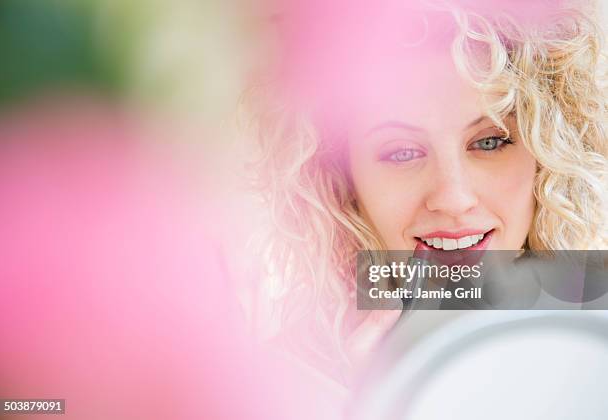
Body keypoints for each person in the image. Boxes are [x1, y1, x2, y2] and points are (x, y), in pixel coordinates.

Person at [242, 0, 607, 384]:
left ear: (547, 152)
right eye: (402, 152)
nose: (453, 198)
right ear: (343, 182)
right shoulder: (279, 384)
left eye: (489, 142)